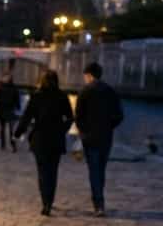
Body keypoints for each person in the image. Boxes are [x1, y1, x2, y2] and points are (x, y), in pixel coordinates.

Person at [14, 70, 73, 216]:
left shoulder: (36, 96)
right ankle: (50, 201)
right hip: (56, 139)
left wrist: (17, 133)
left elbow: (26, 117)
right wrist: (62, 130)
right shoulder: (62, 96)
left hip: (40, 139)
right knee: (53, 172)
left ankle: (45, 202)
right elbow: (70, 117)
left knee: (42, 171)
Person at [74, 61, 123, 216]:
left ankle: (98, 203)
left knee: (94, 169)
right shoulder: (110, 91)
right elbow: (119, 115)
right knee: (101, 169)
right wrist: (109, 127)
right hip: (105, 136)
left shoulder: (85, 91)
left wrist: (83, 130)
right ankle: (100, 200)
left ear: (89, 75)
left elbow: (78, 116)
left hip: (89, 137)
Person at [0, 74, 20, 152]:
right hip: (6, 110)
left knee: (7, 129)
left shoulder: (1, 87)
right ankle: (7, 144)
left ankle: (8, 144)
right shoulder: (2, 87)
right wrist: (17, 106)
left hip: (6, 110)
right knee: (6, 129)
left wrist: (17, 106)